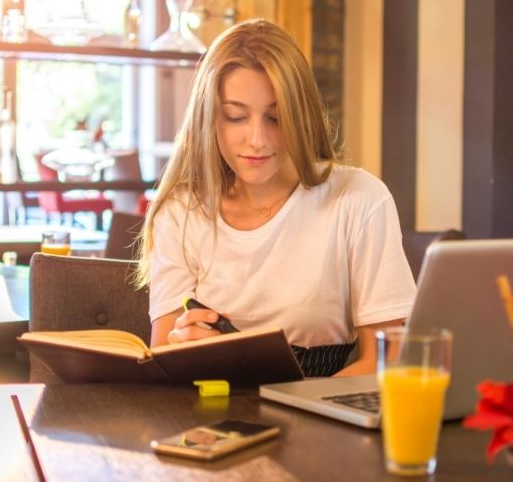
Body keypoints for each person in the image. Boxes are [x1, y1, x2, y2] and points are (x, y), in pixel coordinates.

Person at [135, 19, 416, 377]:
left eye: (276, 118)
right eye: (236, 116)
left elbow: (388, 361)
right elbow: (162, 355)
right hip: (210, 404)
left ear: (301, 118)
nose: (257, 139)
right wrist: (180, 349)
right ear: (208, 119)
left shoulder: (358, 198)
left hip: (323, 402)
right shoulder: (181, 212)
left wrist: (289, 401)